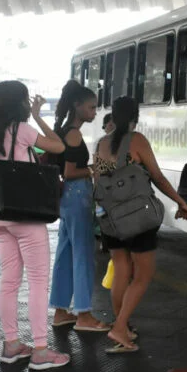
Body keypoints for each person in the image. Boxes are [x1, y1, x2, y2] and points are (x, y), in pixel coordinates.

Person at [0, 81, 70, 370]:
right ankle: (41, 350)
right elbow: (59, 145)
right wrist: (38, 115)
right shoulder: (22, 130)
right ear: (20, 102)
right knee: (38, 282)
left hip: (0, 218)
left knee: (9, 281)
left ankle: (12, 344)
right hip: (27, 218)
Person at [93, 96, 187, 353]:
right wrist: (181, 202)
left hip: (111, 220)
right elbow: (157, 177)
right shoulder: (136, 140)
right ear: (135, 116)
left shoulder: (101, 144)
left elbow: (98, 183)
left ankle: (122, 327)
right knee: (143, 274)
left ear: (113, 116)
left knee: (121, 270)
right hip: (137, 218)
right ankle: (120, 327)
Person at [48, 81, 110, 332]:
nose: (95, 112)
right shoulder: (73, 134)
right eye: (91, 107)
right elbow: (71, 171)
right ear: (77, 106)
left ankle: (61, 311)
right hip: (77, 196)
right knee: (84, 255)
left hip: (66, 199)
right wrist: (96, 168)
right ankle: (84, 315)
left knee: (64, 254)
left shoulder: (63, 130)